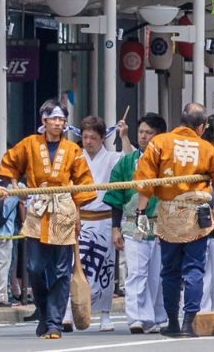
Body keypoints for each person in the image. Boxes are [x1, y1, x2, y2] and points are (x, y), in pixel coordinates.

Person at [135, 105, 214, 338]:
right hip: (197, 215)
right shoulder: (207, 149)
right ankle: (187, 324)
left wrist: (141, 212)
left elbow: (145, 180)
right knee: (194, 270)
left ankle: (173, 322)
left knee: (170, 271)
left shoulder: (159, 142)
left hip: (169, 214)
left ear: (180, 121)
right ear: (201, 127)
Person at [0, 102, 95, 339]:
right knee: (35, 268)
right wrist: (14, 184)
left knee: (61, 271)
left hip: (63, 208)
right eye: (53, 119)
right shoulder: (30, 144)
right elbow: (10, 163)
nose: (58, 123)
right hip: (38, 208)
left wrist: (78, 214)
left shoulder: (72, 149)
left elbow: (83, 181)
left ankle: (54, 323)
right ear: (44, 120)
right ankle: (42, 310)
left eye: (62, 120)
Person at [102, 115, 167, 335]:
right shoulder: (126, 163)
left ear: (159, 136)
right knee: (136, 272)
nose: (143, 136)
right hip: (132, 224)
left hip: (160, 224)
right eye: (141, 131)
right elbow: (115, 196)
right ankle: (136, 318)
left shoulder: (167, 161)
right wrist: (114, 228)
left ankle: (156, 317)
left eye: (148, 132)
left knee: (156, 275)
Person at [76, 117, 122, 333]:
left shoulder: (112, 158)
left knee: (105, 266)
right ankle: (71, 310)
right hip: (80, 218)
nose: (88, 142)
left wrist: (124, 136)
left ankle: (105, 314)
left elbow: (131, 162)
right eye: (84, 137)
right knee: (76, 267)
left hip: (103, 218)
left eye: (93, 138)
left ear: (103, 138)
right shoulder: (76, 157)